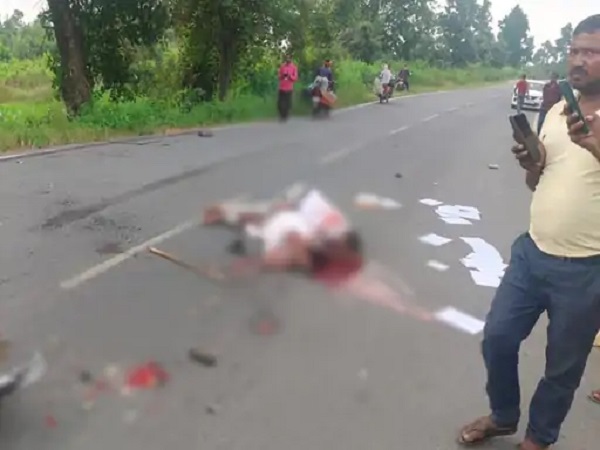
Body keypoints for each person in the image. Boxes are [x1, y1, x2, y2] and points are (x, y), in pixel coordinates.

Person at [457, 15, 600, 450]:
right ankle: (503, 415)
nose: (578, 60)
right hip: (532, 253)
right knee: (498, 338)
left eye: (591, 52)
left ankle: (538, 438)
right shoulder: (556, 111)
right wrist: (532, 164)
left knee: (563, 368)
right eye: (574, 50)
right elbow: (537, 182)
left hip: (587, 270)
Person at [202, 188, 363, 273]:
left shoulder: (319, 241)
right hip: (286, 219)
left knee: (254, 224)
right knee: (255, 219)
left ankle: (225, 216)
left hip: (282, 224)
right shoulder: (325, 231)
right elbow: (296, 240)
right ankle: (224, 214)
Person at [277, 55, 298, 121]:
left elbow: (295, 78)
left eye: (289, 58)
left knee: (287, 103)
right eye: (287, 58)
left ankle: (285, 116)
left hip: (289, 88)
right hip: (282, 87)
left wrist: (290, 76)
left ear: (291, 59)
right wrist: (282, 76)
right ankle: (281, 114)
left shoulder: (294, 67)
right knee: (280, 103)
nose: (288, 59)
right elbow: (279, 76)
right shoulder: (282, 66)